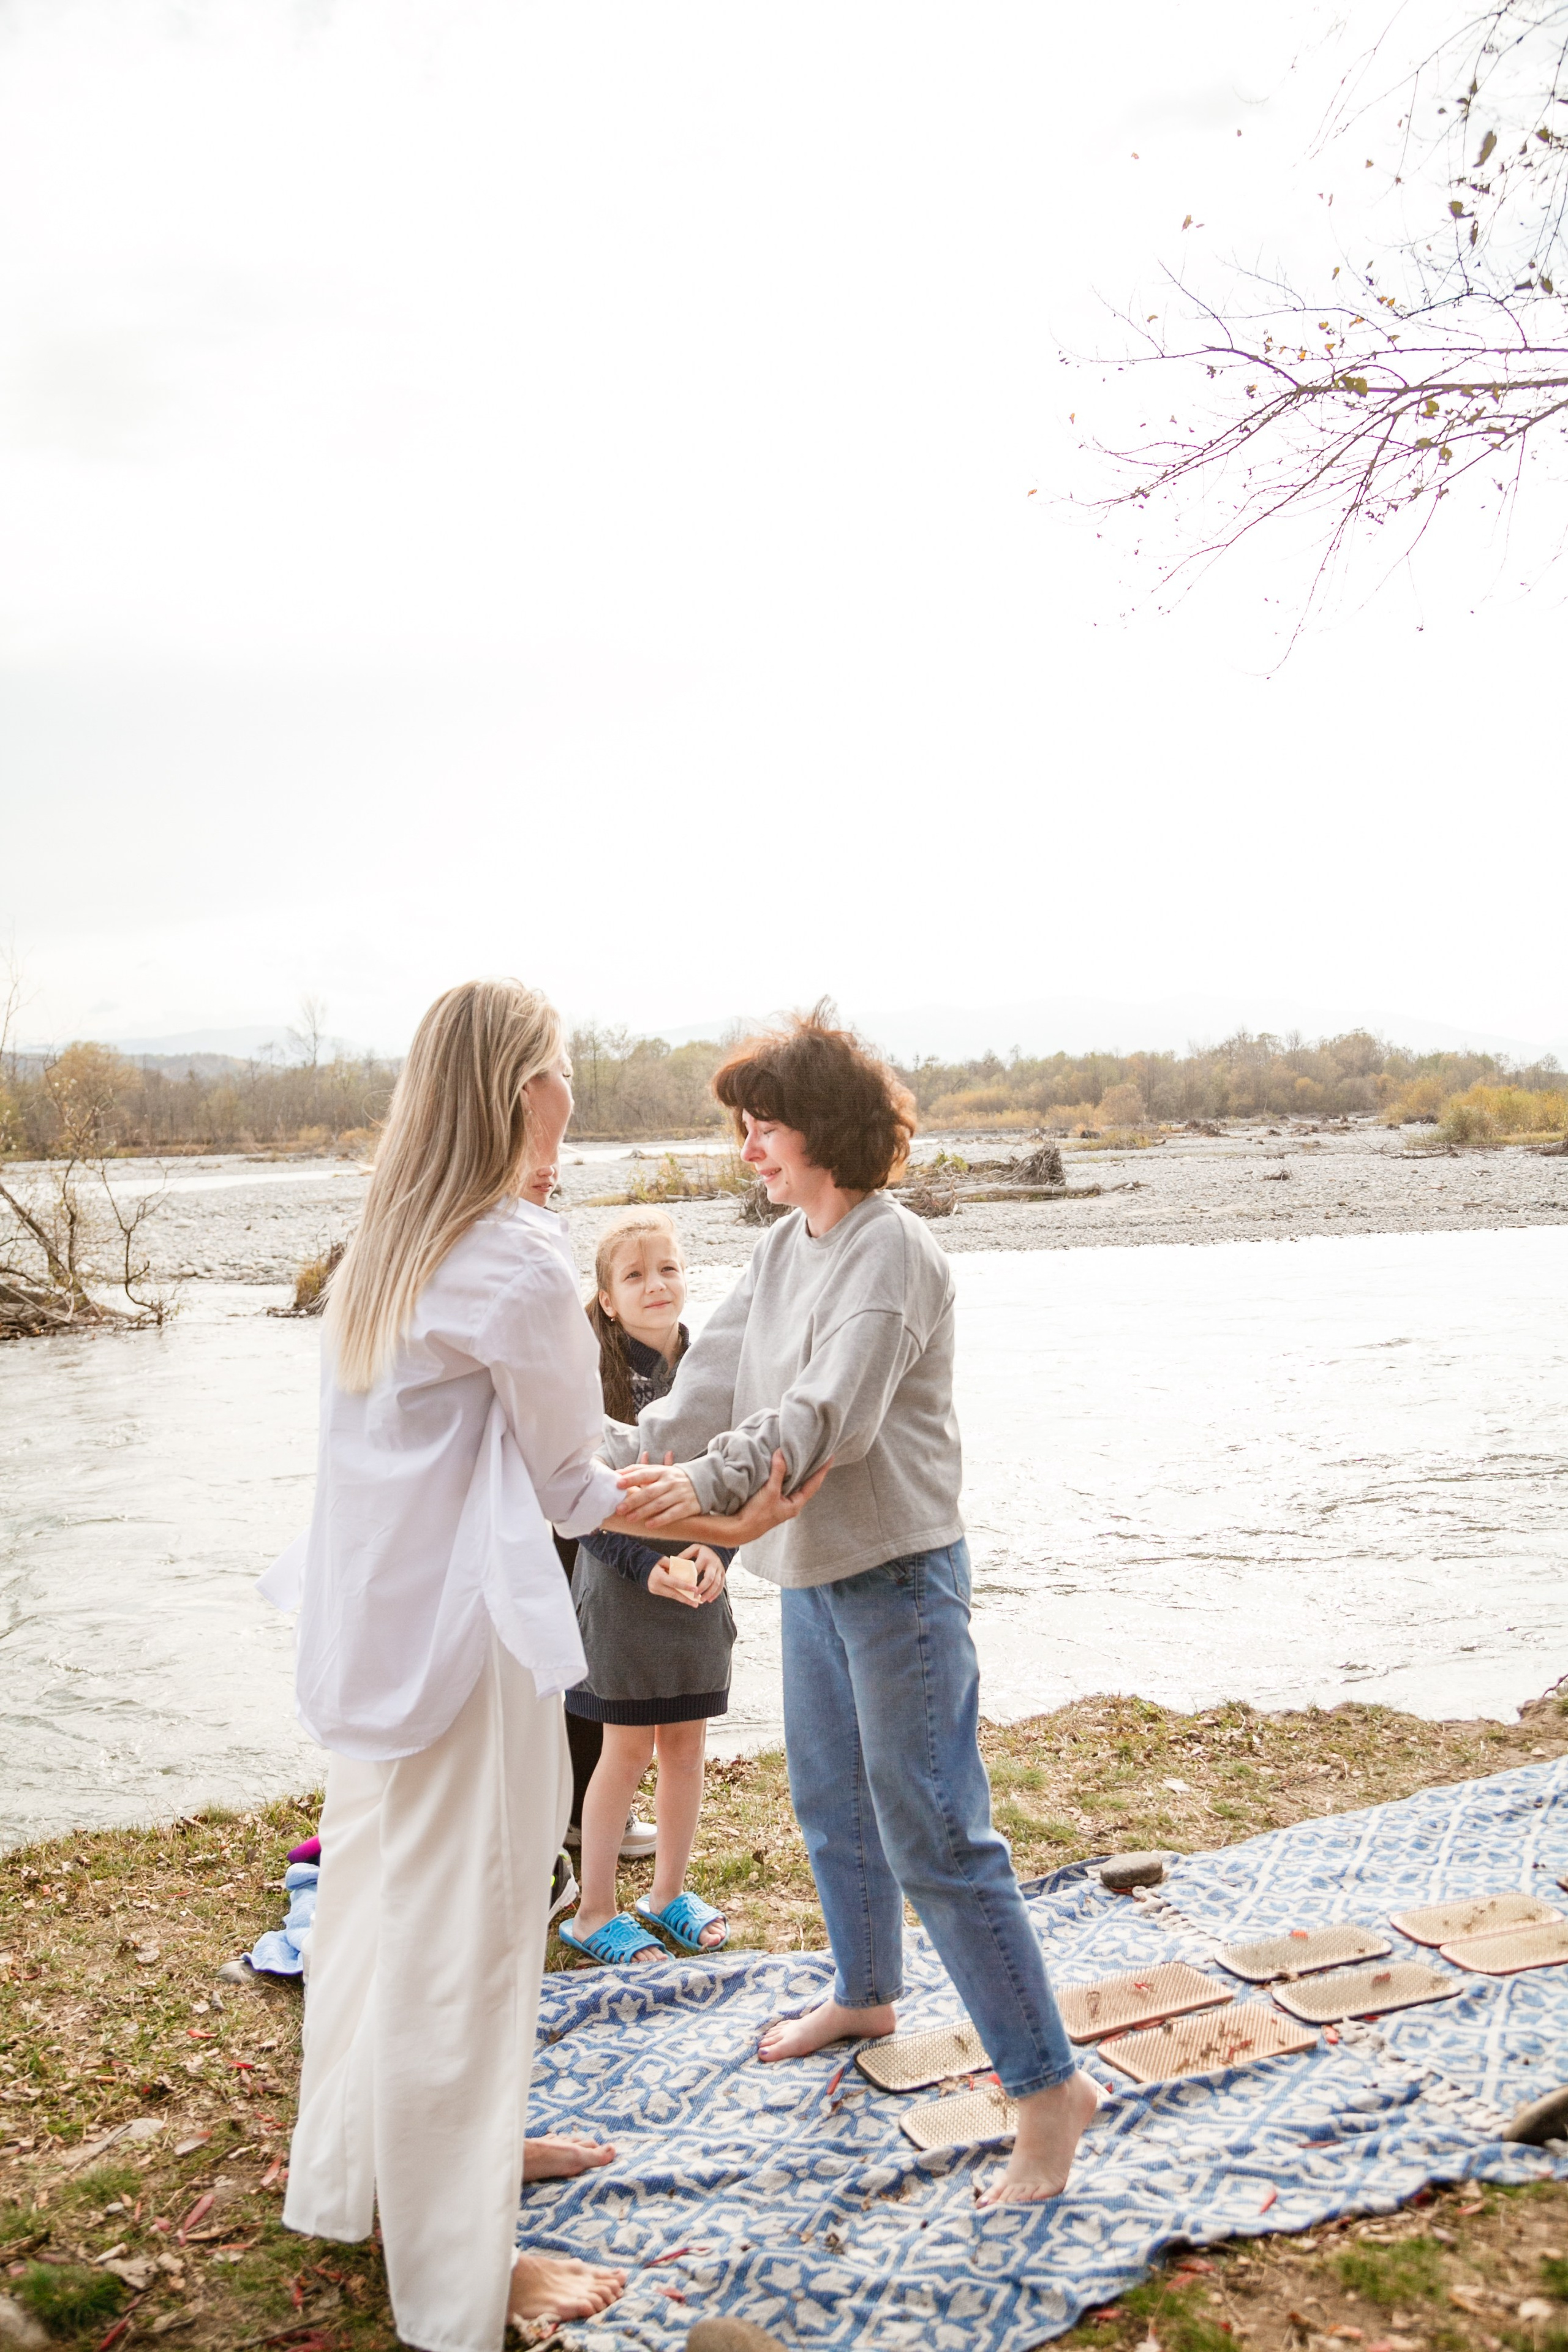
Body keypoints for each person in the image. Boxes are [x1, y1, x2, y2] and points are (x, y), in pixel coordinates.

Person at [260, 980, 823, 2352]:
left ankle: (405, 2170)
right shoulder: (508, 1255)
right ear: (522, 1088)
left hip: (378, 1640)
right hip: (464, 1652)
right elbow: (574, 1489)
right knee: (473, 1932)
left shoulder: (389, 1242)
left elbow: (489, 1464)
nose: (570, 1096)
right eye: (560, 1071)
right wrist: (736, 1507)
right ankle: (466, 2273)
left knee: (379, 1914)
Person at [609, 1009, 1100, 2207]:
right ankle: (867, 1992)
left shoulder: (888, 1255)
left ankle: (1046, 2092)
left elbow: (825, 1416)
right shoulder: (785, 1249)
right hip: (814, 1582)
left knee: (934, 1832)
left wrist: (701, 1487)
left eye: (759, 1129)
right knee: (827, 1800)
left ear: (818, 1128)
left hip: (900, 1584)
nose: (744, 1153)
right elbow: (707, 1383)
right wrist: (606, 1462)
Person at [558, 1211, 735, 1966]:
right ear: (606, 1299)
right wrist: (646, 1565)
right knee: (624, 1751)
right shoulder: (585, 1378)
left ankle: (666, 1894)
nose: (655, 1285)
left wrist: (719, 1546)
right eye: (634, 1275)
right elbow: (575, 1499)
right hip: (620, 1585)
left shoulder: (713, 1365)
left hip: (698, 1578)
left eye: (668, 1268)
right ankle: (594, 1910)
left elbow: (741, 1466)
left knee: (688, 1745)